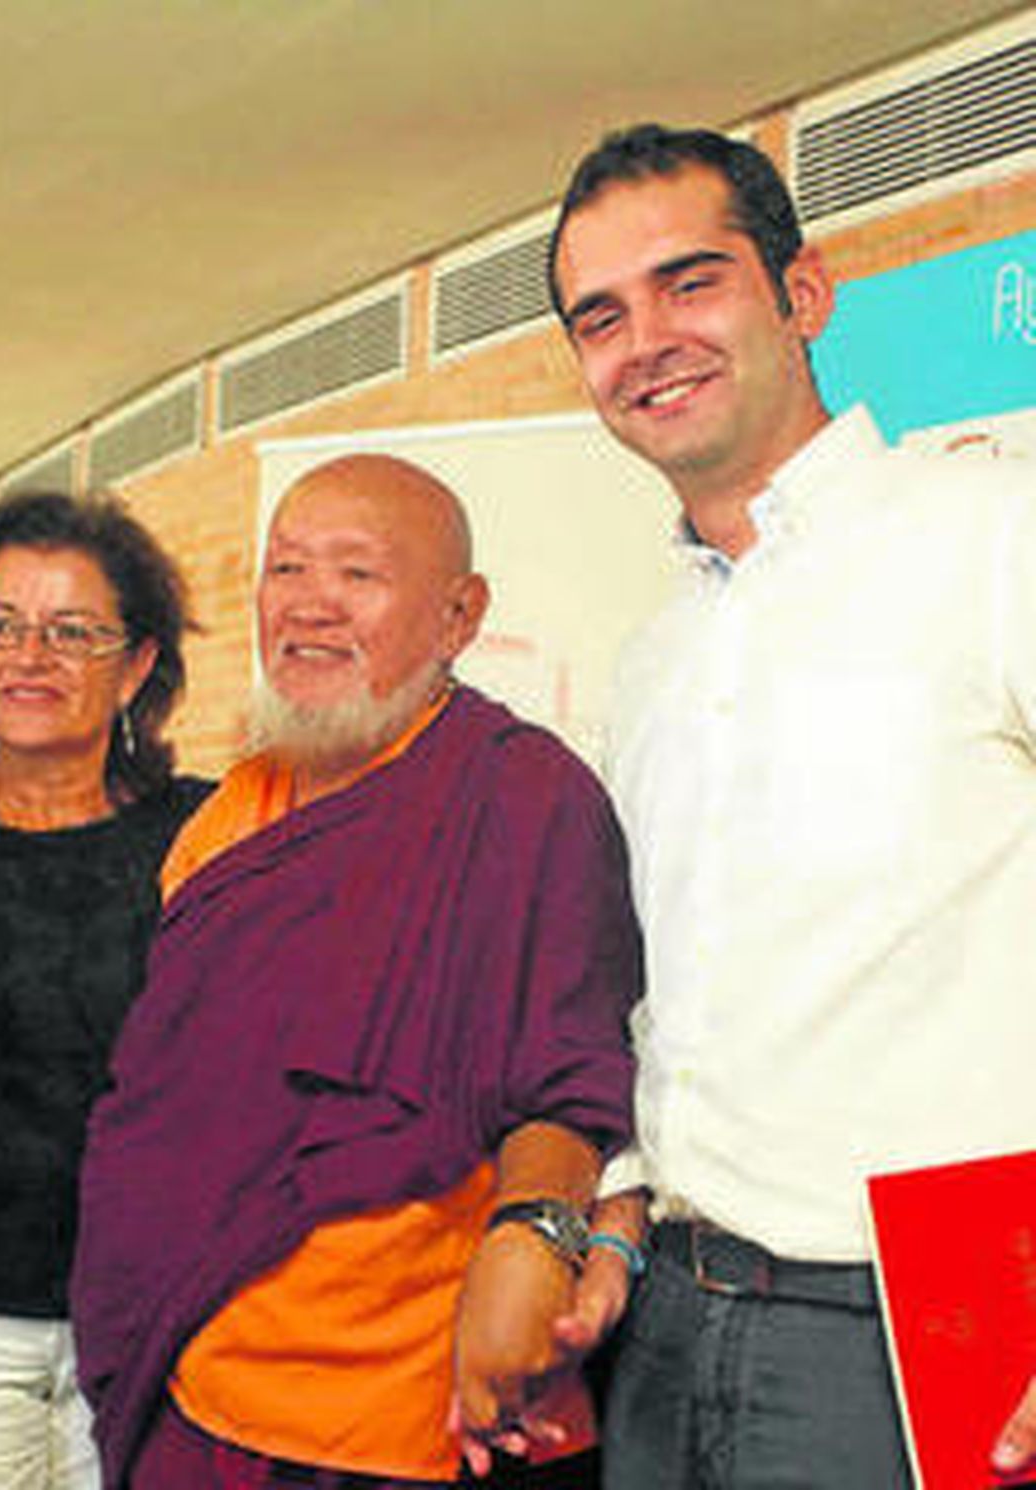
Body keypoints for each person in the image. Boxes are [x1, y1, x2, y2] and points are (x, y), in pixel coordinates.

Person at [544, 124, 1036, 1487]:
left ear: (802, 294)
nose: (646, 339)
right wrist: (620, 1212)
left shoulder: (995, 533)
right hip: (667, 1321)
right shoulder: (656, 659)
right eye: (601, 316)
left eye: (689, 282)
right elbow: (663, 993)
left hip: (934, 1317)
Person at [72, 453, 642, 1489]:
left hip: (412, 1414)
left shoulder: (523, 796)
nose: (311, 607)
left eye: (358, 575)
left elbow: (574, 1076)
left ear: (458, 615)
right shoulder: (222, 819)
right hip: (193, 1375)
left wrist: (538, 1233)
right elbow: (164, 1107)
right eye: (286, 569)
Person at [0, 490, 212, 1490]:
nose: (29, 655)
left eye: (72, 631)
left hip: (152, 1295)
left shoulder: (206, 829)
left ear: (138, 663)